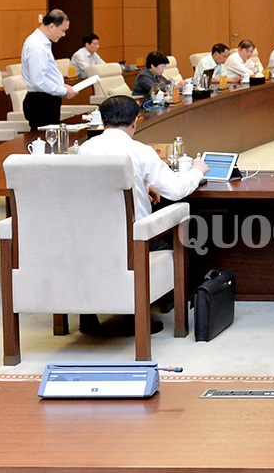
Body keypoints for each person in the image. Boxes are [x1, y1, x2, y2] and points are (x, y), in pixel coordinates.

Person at [78, 95, 208, 336]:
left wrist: (142, 184)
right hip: (133, 242)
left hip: (91, 240)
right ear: (135, 121)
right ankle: (139, 314)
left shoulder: (85, 150)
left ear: (103, 122)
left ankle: (87, 316)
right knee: (182, 250)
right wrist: (196, 171)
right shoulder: (140, 151)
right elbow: (176, 190)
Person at [21, 9, 77, 130]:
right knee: (46, 139)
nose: (63, 34)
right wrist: (63, 91)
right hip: (41, 102)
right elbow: (38, 81)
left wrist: (61, 85)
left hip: (45, 100)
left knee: (51, 138)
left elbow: (46, 75)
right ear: (51, 26)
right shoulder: (37, 46)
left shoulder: (42, 43)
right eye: (63, 30)